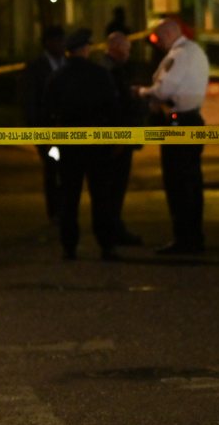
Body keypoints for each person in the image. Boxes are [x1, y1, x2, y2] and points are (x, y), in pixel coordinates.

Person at [45, 28, 120, 261]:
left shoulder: (57, 77)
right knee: (101, 196)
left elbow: (48, 110)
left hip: (68, 142)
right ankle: (106, 244)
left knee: (69, 196)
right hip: (97, 142)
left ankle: (69, 246)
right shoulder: (100, 74)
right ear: (86, 49)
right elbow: (113, 109)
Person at [138, 19, 210, 255]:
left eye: (159, 38)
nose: (158, 44)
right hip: (192, 120)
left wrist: (142, 92)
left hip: (178, 122)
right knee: (191, 182)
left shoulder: (179, 55)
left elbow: (164, 89)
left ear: (169, 34)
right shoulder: (196, 51)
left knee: (177, 182)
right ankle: (193, 235)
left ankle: (184, 238)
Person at [100, 32, 143, 246]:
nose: (129, 54)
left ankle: (112, 227)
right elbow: (116, 107)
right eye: (127, 50)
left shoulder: (108, 69)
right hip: (117, 140)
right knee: (115, 186)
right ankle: (112, 229)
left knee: (113, 188)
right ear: (116, 49)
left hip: (117, 138)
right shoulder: (112, 71)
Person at [21, 25, 65, 222]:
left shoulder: (67, 64)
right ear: (47, 43)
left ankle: (63, 208)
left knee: (66, 169)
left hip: (67, 127)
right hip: (46, 127)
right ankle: (54, 210)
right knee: (52, 167)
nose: (61, 45)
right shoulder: (36, 68)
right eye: (57, 41)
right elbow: (30, 99)